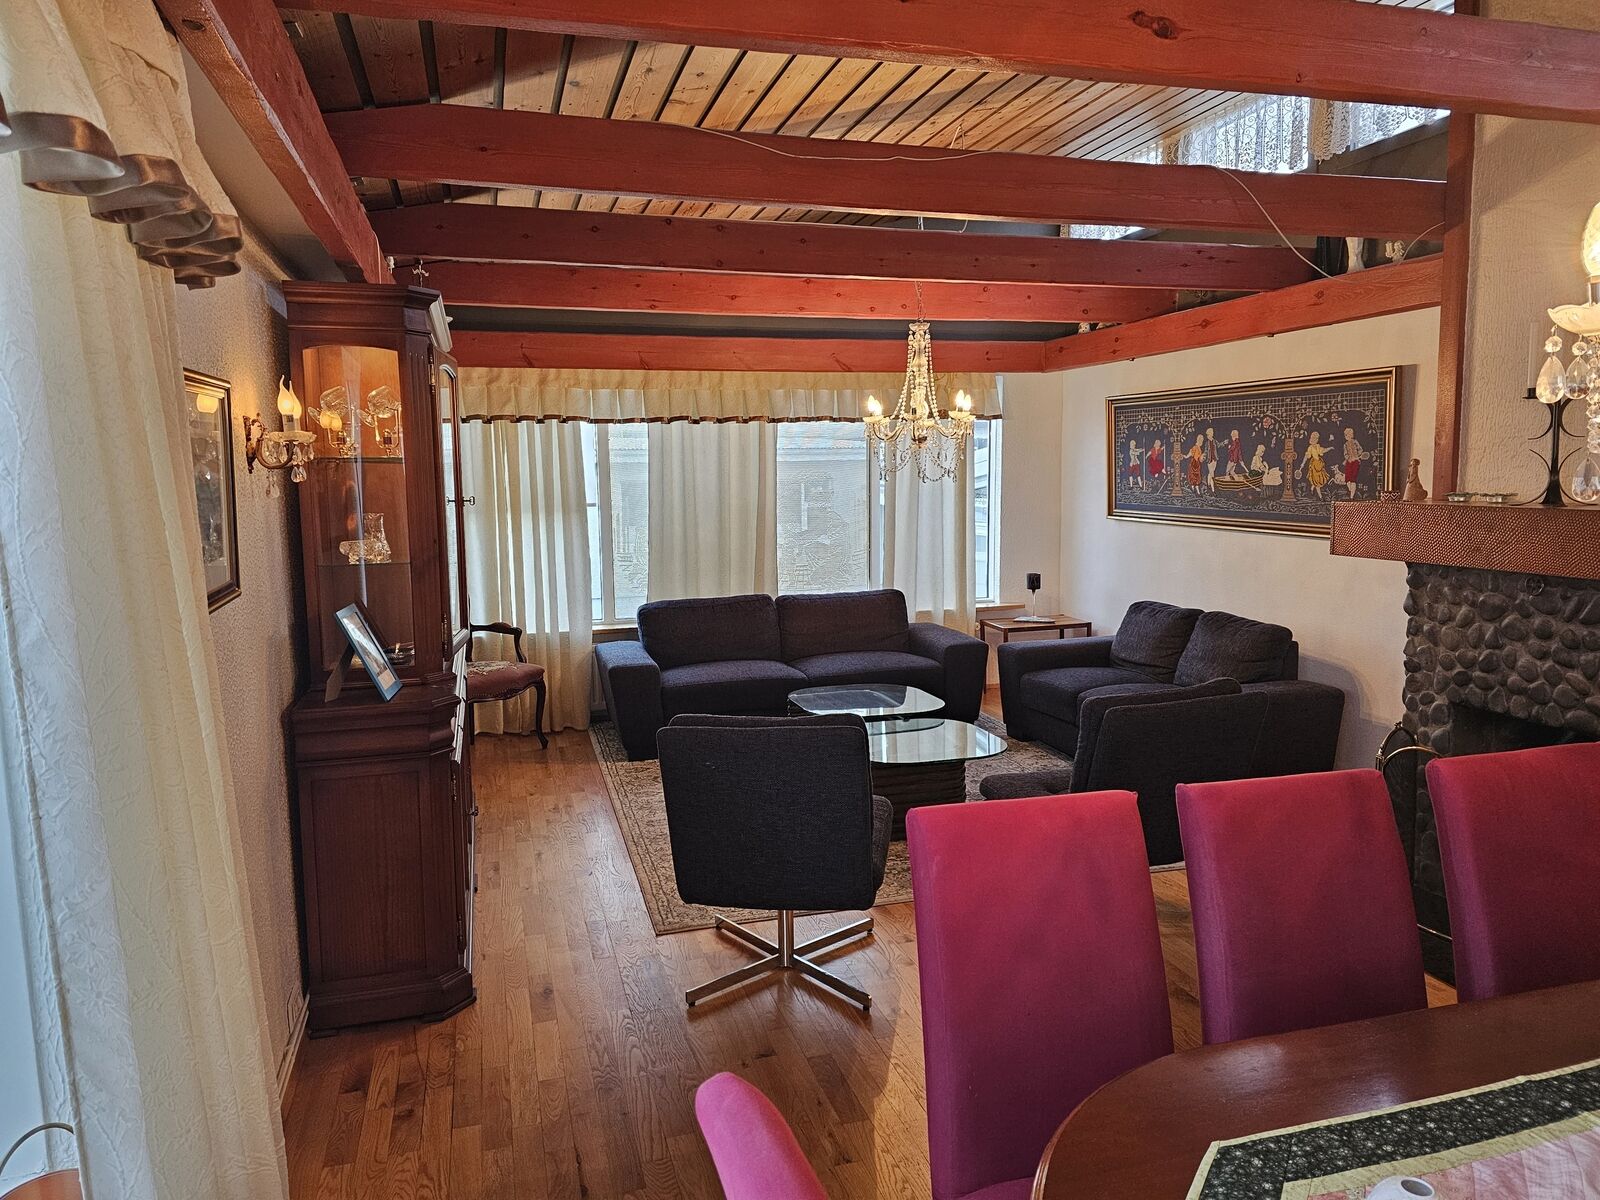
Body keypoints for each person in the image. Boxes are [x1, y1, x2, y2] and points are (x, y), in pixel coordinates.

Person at [1301, 431, 1331, 499]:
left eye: (1316, 438)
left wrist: (1329, 448)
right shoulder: (1310, 448)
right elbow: (1306, 456)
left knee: (1318, 479)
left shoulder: (1318, 446)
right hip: (1314, 465)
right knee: (1317, 481)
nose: (1314, 440)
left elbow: (1322, 450)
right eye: (1312, 438)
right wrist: (1303, 464)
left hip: (1319, 464)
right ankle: (1321, 497)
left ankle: (1312, 489)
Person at [1341, 426, 1365, 498]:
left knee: (1353, 478)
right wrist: (1348, 458)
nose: (1346, 436)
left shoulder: (1355, 442)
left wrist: (1357, 456)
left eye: (1348, 434)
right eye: (1345, 435)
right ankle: (1350, 490)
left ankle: (1352, 497)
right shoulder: (1345, 444)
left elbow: (1360, 449)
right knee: (1348, 478)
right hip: (1349, 462)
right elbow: (1345, 453)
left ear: (1351, 435)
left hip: (1356, 461)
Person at [1204, 426, 1219, 491]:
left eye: (1212, 432)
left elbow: (1218, 445)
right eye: (1212, 432)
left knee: (1210, 473)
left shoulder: (1214, 441)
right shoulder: (1207, 443)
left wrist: (1224, 443)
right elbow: (1205, 451)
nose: (1213, 433)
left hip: (1215, 459)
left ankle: (1208, 484)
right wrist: (1204, 457)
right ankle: (1213, 489)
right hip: (1209, 460)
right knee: (1212, 473)